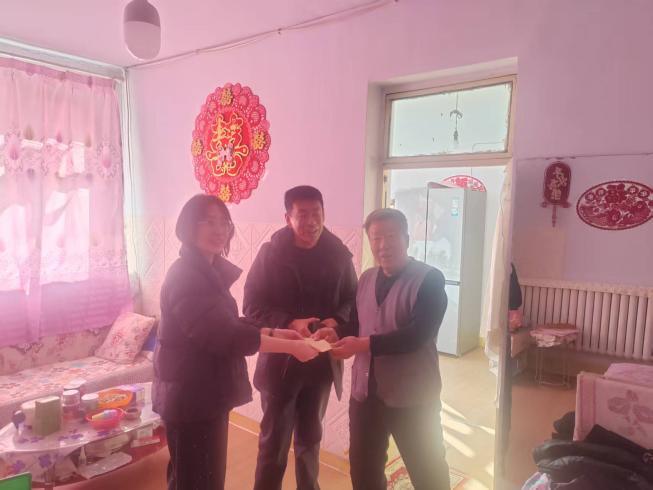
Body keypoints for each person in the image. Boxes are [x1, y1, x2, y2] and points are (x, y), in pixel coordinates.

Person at [152, 194, 319, 490]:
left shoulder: (207, 270)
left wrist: (278, 332)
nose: (219, 230)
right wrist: (292, 347)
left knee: (193, 477)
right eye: (208, 222)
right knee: (199, 480)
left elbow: (228, 323)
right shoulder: (186, 276)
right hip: (191, 398)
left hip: (204, 393)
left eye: (224, 223)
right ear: (189, 226)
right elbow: (225, 336)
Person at [316, 208, 450, 490]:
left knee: (429, 473)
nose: (383, 245)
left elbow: (418, 335)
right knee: (364, 471)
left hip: (414, 398)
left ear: (407, 239)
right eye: (376, 238)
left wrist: (363, 344)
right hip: (366, 396)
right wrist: (337, 332)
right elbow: (358, 323)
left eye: (391, 236)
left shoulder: (430, 280)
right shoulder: (366, 278)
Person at [243, 185, 357, 490]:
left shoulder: (339, 255)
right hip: (280, 364)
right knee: (274, 445)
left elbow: (352, 300)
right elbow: (251, 306)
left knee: (310, 442)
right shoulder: (270, 254)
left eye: (316, 213)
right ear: (287, 218)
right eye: (302, 215)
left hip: (320, 365)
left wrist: (336, 321)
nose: (311, 222)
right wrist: (289, 322)